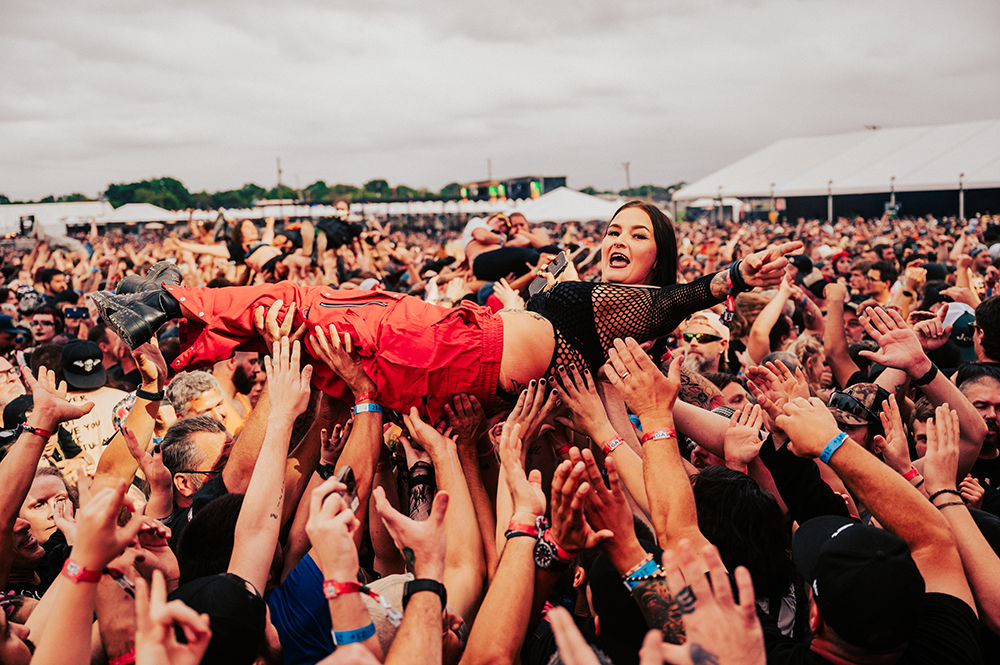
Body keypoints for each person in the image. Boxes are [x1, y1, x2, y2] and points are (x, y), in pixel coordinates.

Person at [91, 203, 803, 421]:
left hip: (462, 356)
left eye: (637, 233)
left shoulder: (641, 327)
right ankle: (173, 339)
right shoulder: (603, 317)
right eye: (613, 228)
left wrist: (730, 279)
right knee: (309, 329)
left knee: (315, 305)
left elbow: (669, 308)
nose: (617, 239)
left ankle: (167, 305)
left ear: (665, 255)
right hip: (457, 347)